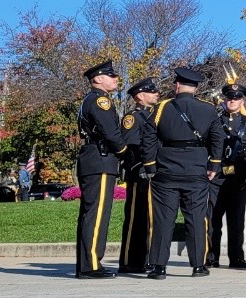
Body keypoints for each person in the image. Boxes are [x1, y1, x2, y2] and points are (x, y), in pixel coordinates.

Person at [139, 66, 225, 279]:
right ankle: (198, 266)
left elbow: (148, 137)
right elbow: (218, 138)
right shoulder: (208, 109)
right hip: (196, 171)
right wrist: (213, 165)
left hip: (166, 171)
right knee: (196, 218)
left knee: (163, 220)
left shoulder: (161, 109)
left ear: (177, 85)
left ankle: (158, 266)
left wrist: (150, 166)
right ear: (195, 88)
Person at [74, 59, 128, 279]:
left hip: (95, 158)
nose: (115, 79)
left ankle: (88, 263)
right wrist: (125, 153)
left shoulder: (93, 100)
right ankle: (91, 265)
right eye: (111, 75)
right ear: (97, 79)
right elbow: (111, 134)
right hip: (101, 158)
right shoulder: (100, 101)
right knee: (97, 214)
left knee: (91, 213)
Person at [208, 81, 246, 269]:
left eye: (236, 98)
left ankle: (236, 258)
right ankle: (211, 257)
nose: (232, 100)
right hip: (217, 177)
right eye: (229, 97)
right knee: (214, 220)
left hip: (239, 178)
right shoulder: (215, 120)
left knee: (236, 221)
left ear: (242, 101)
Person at [117, 77, 159, 275]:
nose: (156, 94)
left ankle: (147, 259)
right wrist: (141, 165)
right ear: (140, 96)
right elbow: (130, 146)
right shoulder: (133, 117)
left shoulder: (154, 115)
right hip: (139, 173)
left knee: (151, 218)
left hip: (154, 173)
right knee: (136, 218)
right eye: (151, 91)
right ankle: (130, 261)